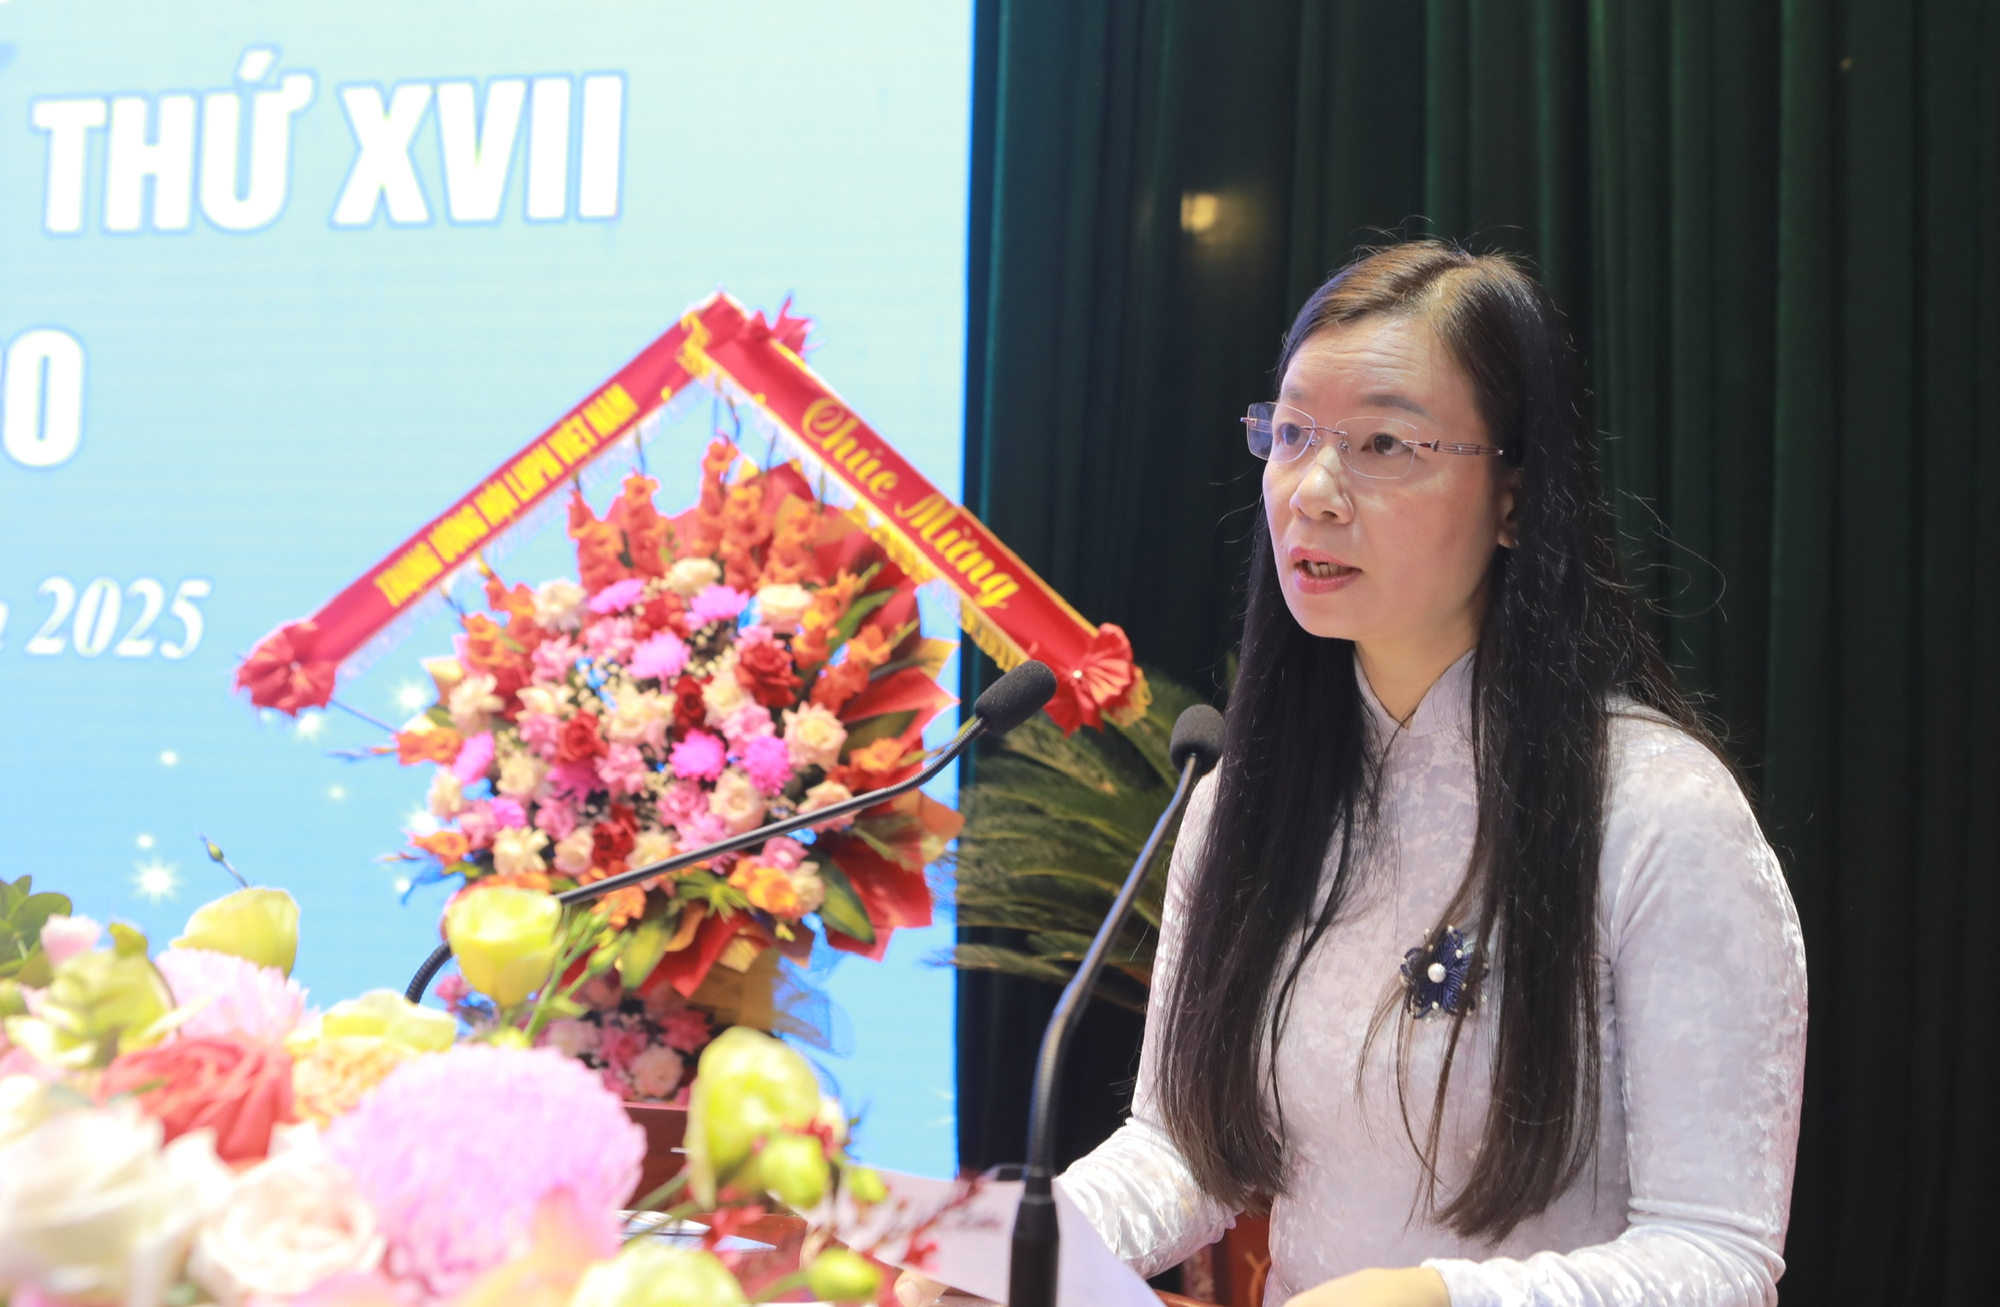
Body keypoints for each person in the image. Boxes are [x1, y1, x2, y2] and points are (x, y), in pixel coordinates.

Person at [902, 240, 1806, 1307]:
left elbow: (1718, 1255)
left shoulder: (1657, 811)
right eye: (1290, 435)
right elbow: (1182, 1146)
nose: (1315, 491)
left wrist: (1440, 1299)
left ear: (1515, 498)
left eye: (1382, 443)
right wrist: (1020, 1253)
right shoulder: (1242, 796)